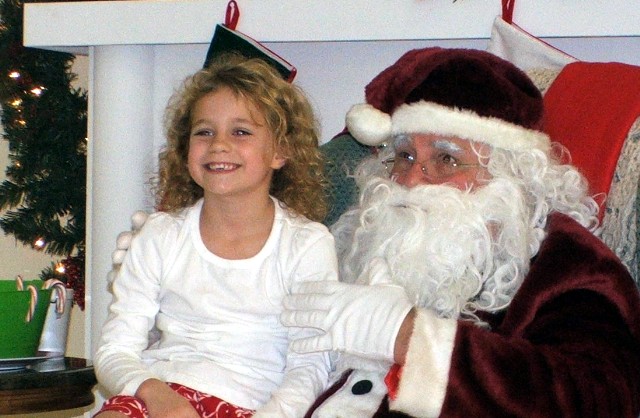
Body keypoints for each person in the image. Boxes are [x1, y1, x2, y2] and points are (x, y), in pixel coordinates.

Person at [280, 47, 640, 417]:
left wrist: (406, 336)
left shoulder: (571, 266)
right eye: (404, 156)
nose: (411, 180)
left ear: (510, 176)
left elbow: (600, 398)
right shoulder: (353, 242)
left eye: (446, 159)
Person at [93, 53, 337, 418]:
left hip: (251, 406)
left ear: (281, 150)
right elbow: (115, 350)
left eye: (241, 132)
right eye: (204, 132)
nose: (219, 144)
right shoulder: (160, 235)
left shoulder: (307, 244)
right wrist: (158, 397)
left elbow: (311, 365)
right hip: (158, 394)